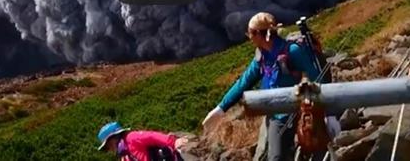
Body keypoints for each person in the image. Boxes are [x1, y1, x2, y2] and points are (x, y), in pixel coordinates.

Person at [201, 12, 339, 161]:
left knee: (291, 154)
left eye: (251, 33)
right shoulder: (262, 56)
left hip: (293, 112)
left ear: (260, 35)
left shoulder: (292, 51)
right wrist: (221, 108)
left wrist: (329, 114)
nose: (249, 37)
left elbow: (318, 79)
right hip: (274, 114)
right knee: (276, 155)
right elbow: (244, 81)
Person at [97, 121, 188, 161]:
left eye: (108, 145)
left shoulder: (131, 138)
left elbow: (152, 136)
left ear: (114, 138)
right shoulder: (124, 154)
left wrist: (173, 142)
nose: (110, 149)